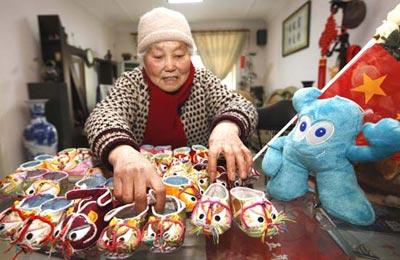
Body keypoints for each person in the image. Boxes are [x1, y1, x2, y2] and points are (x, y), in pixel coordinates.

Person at [84, 7, 257, 213]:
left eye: (179, 55)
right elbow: (104, 115)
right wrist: (123, 154)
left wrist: (227, 128)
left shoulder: (202, 81)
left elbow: (240, 104)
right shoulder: (132, 84)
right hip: (143, 191)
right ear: (144, 59)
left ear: (189, 55)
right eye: (158, 56)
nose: (170, 66)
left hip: (201, 195)